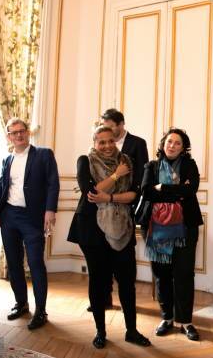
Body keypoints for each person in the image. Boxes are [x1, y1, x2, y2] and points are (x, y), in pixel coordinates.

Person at [67, 125, 151, 349]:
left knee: (127, 282)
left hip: (122, 226)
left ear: (116, 141)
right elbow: (92, 194)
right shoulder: (85, 161)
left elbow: (135, 195)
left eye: (110, 141)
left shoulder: (128, 162)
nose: (106, 146)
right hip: (92, 231)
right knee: (98, 281)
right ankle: (100, 332)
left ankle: (131, 331)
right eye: (101, 142)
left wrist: (111, 196)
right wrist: (116, 176)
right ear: (94, 143)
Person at [0, 118, 60, 330]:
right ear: (9, 137)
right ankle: (21, 303)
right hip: (9, 216)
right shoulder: (7, 159)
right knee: (13, 263)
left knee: (36, 263)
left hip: (33, 217)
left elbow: (53, 183)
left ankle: (41, 311)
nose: (19, 135)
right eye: (14, 133)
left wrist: (50, 210)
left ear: (28, 133)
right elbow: (2, 187)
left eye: (22, 131)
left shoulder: (44, 154)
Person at [140, 128, 203, 341]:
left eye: (177, 143)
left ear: (184, 147)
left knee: (184, 275)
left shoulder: (189, 165)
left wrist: (162, 187)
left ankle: (186, 321)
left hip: (186, 228)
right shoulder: (152, 165)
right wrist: (176, 190)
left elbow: (191, 190)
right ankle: (167, 318)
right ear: (163, 144)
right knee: (162, 275)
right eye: (169, 141)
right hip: (157, 229)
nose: (172, 145)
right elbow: (146, 192)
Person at [92, 108, 149, 311]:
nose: (106, 131)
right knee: (104, 254)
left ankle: (127, 297)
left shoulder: (138, 143)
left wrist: (132, 198)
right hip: (103, 208)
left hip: (127, 205)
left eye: (110, 126)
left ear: (121, 124)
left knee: (125, 257)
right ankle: (105, 298)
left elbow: (144, 174)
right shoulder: (101, 144)